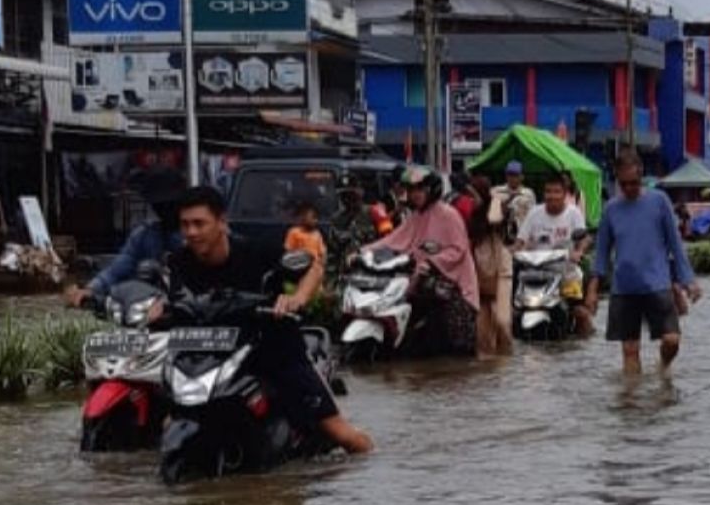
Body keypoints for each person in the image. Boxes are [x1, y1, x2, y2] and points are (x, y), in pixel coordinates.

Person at [165, 186, 373, 454]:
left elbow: (313, 268)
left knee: (342, 435)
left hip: (274, 350)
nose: (191, 232)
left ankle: (371, 456)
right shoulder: (179, 262)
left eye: (199, 224)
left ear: (221, 223)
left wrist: (296, 298)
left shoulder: (256, 251)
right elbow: (170, 297)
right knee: (169, 421)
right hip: (213, 358)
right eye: (185, 225)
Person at [585, 150, 703, 374]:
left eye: (634, 183)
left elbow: (675, 244)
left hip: (657, 285)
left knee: (671, 340)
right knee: (630, 351)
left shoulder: (659, 202)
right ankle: (632, 403)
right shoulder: (611, 209)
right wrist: (592, 290)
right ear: (617, 180)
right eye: (624, 184)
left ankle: (663, 368)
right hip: (624, 289)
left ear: (641, 177)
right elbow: (600, 253)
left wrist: (689, 281)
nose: (629, 188)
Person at [367, 167, 479, 356]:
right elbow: (394, 239)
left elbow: (459, 249)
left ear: (431, 189)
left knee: (453, 349)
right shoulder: (415, 217)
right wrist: (364, 251)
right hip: (422, 284)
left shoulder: (448, 215)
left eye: (419, 189)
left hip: (454, 287)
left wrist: (433, 261)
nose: (414, 194)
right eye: (411, 190)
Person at [64, 166, 186, 308]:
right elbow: (117, 270)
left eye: (170, 204)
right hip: (149, 302)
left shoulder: (193, 236)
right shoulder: (144, 235)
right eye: (158, 205)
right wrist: (90, 290)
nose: (164, 210)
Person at [517, 172, 594, 337]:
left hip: (566, 274)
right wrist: (512, 252)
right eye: (548, 192)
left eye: (556, 192)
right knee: (514, 309)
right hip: (535, 275)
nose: (551, 196)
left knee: (580, 313)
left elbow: (585, 238)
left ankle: (584, 352)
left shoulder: (573, 213)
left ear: (565, 194)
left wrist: (578, 251)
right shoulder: (534, 213)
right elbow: (521, 241)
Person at [467, 176, 513, 356]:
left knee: (502, 321)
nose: (471, 199)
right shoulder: (471, 218)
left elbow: (494, 219)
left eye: (474, 195)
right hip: (479, 272)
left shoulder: (497, 210)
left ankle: (507, 360)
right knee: (482, 333)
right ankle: (490, 375)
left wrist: (493, 198)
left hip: (501, 270)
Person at [492, 160, 536, 243]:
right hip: (501, 236)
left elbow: (532, 216)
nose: (512, 178)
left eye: (516, 175)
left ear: (522, 177)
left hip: (522, 235)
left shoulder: (528, 194)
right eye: (510, 175)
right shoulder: (497, 191)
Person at [284, 201, 327, 272]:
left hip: (314, 269)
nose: (315, 220)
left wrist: (322, 263)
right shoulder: (294, 232)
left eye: (316, 218)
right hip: (299, 268)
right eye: (313, 217)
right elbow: (289, 251)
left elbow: (322, 252)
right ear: (304, 217)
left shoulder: (317, 234)